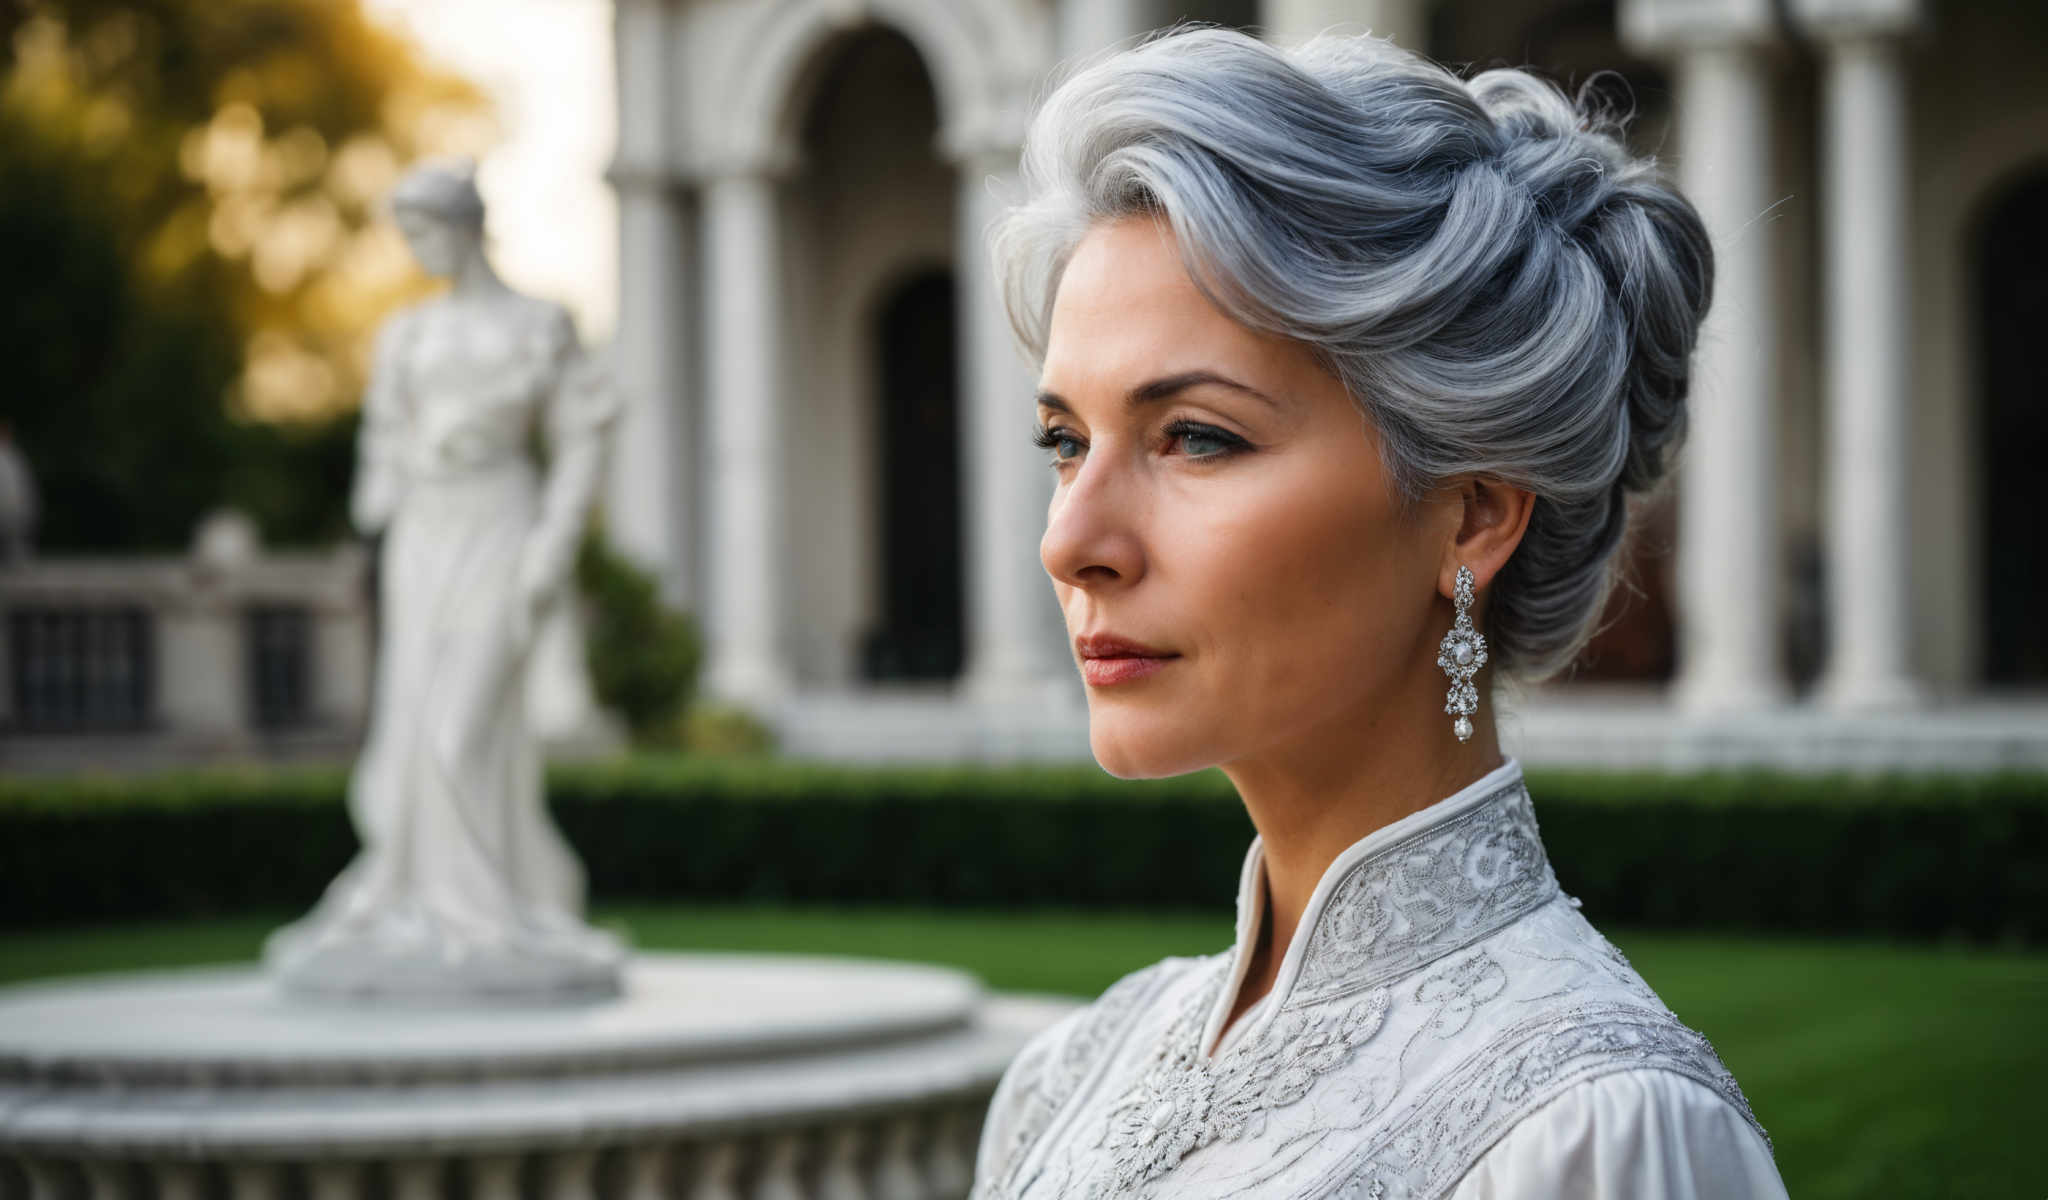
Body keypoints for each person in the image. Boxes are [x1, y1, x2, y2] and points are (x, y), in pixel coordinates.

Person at [971, 27, 1788, 1199]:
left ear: (1470, 518)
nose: (1070, 542)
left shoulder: (1595, 1135)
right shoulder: (1073, 1069)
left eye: (1196, 436)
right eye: (1065, 442)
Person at [263, 158, 625, 1002]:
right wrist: (380, 495)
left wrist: (551, 546)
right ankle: (423, 897)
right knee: (410, 723)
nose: (415, 248)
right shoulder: (408, 334)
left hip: (500, 526)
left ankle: (483, 915)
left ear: (464, 228)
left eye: (424, 231)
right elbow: (384, 437)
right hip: (424, 536)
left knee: (461, 731)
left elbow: (583, 438)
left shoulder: (540, 324)